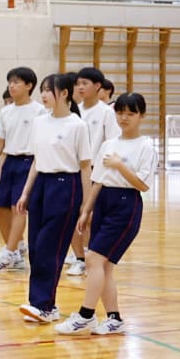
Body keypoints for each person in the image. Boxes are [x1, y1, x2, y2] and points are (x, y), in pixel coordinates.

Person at [60, 92, 155, 335]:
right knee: (105, 266)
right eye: (120, 112)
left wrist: (120, 165)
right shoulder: (108, 144)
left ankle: (86, 315)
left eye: (130, 113)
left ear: (142, 116)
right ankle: (114, 318)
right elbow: (97, 180)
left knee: (93, 260)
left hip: (126, 204)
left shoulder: (146, 146)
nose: (124, 117)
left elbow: (143, 185)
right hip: (103, 201)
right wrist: (86, 210)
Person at [14, 74, 91, 325]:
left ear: (65, 93)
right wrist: (26, 193)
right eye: (44, 90)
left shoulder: (77, 125)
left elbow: (85, 167)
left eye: (49, 90)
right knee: (35, 247)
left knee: (50, 246)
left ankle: (43, 305)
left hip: (65, 186)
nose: (43, 95)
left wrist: (85, 205)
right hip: (41, 186)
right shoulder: (39, 122)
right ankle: (45, 304)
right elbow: (37, 160)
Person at [0, 67, 43, 272]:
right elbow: (0, 142)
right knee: (0, 208)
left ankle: (8, 252)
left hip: (29, 162)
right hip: (9, 163)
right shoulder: (6, 111)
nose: (12, 85)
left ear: (29, 86)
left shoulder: (39, 111)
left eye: (17, 82)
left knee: (19, 208)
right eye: (10, 81)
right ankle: (15, 252)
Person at [66, 67, 117, 279]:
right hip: (72, 170)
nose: (80, 87)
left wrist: (103, 173)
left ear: (98, 86)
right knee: (70, 215)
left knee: (87, 216)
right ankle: (78, 257)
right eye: (78, 83)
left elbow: (112, 143)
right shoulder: (74, 110)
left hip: (95, 172)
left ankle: (88, 256)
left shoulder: (106, 112)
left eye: (85, 83)